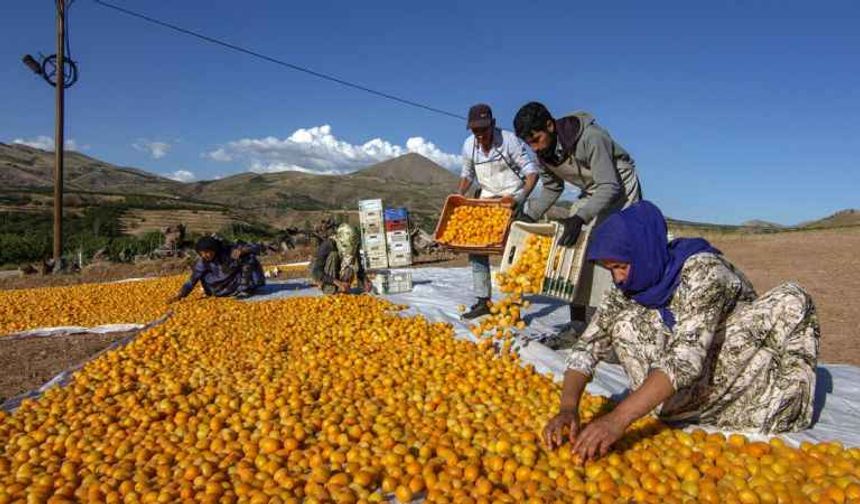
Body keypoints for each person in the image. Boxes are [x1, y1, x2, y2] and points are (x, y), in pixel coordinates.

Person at [543, 201, 819, 461]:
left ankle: (774, 409)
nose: (617, 278)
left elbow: (685, 358)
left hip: (726, 361)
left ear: (643, 252)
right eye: (610, 269)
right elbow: (587, 346)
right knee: (625, 321)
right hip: (683, 381)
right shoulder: (629, 287)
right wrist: (568, 408)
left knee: (793, 299)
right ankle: (667, 405)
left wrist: (617, 419)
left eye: (621, 267)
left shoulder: (704, 272)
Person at [513, 102, 642, 328]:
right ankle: (578, 325)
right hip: (594, 188)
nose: (533, 148)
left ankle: (613, 328)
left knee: (610, 250)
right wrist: (530, 216)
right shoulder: (543, 153)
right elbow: (553, 188)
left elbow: (609, 186)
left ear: (550, 126)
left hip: (619, 185)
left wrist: (581, 217)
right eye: (528, 143)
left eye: (536, 140)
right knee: (573, 249)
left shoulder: (591, 137)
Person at [458, 103, 540, 319]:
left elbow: (531, 172)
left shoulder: (508, 140)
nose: (481, 136)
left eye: (484, 130)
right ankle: (483, 300)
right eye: (476, 131)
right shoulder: (469, 146)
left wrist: (520, 198)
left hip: (511, 199)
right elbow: (467, 174)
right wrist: (459, 194)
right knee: (476, 250)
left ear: (492, 125)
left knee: (513, 252)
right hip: (486, 202)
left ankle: (514, 305)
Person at [170, 236, 265, 301]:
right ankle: (235, 291)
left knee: (249, 258)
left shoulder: (229, 251)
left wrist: (243, 250)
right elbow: (192, 280)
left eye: (208, 252)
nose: (205, 255)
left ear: (214, 249)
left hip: (234, 281)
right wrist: (180, 295)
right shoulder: (203, 262)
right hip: (219, 288)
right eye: (202, 253)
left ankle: (245, 289)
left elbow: (258, 247)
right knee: (201, 273)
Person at [310, 222, 371, 294]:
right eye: (346, 246)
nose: (349, 248)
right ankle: (330, 289)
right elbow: (317, 272)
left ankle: (345, 287)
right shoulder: (328, 245)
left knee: (352, 256)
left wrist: (365, 280)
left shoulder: (353, 245)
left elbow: (359, 268)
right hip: (328, 278)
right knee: (333, 255)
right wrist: (338, 283)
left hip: (342, 277)